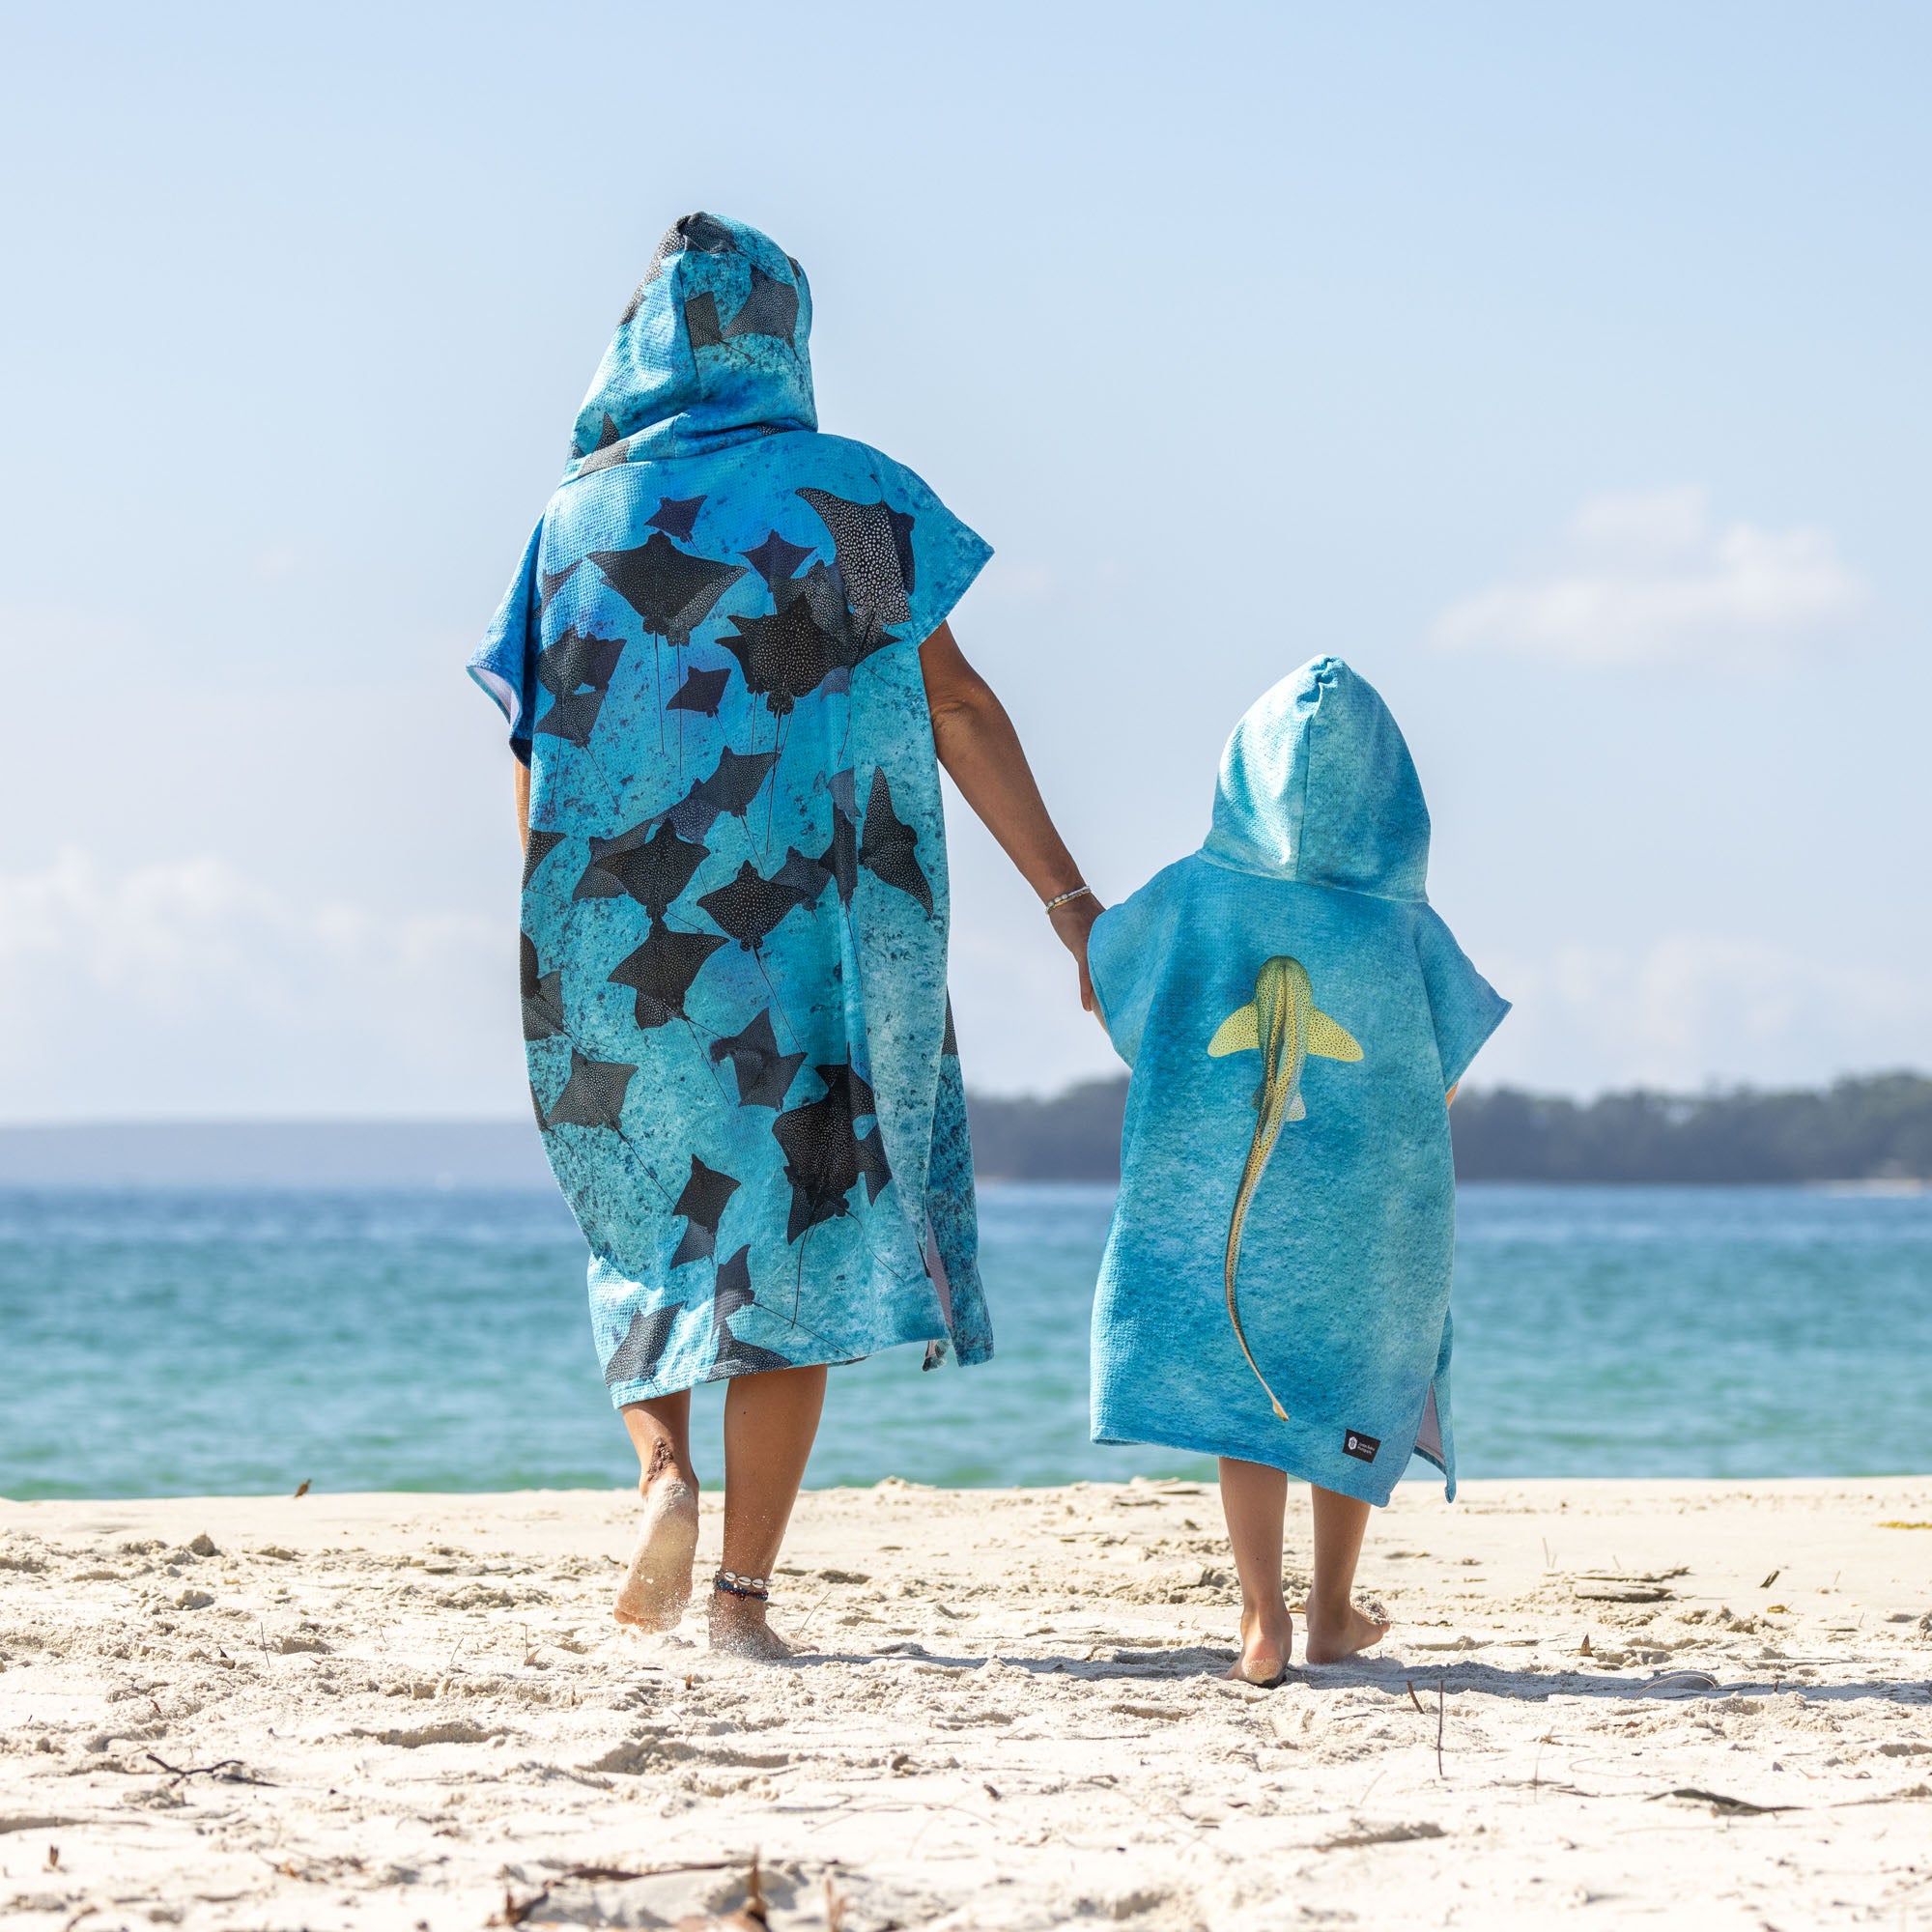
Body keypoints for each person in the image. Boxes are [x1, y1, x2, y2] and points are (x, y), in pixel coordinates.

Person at [468, 212, 1097, 1658]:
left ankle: (662, 1475)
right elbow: (957, 708)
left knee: (648, 1218)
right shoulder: (850, 500)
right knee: (790, 1261)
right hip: (809, 940)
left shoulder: (570, 524)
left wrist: (554, 941)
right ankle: (742, 1603)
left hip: (612, 938)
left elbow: (534, 749)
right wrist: (1067, 900)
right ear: (783, 335)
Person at [1084, 658, 1507, 1682]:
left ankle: (1260, 1615)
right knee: (1357, 1381)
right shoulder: (1401, 921)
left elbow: (1114, 990)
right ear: (1392, 795)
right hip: (1365, 1215)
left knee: (1250, 1391)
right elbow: (1440, 1065)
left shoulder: (1191, 892)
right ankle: (1330, 1609)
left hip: (1223, 1192)